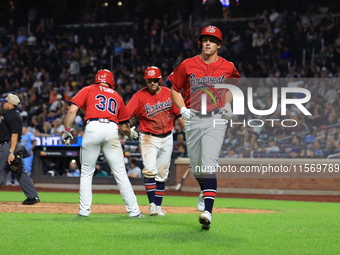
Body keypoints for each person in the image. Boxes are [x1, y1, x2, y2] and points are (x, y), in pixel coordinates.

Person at [169, 25, 240, 230]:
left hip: (215, 119)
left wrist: (227, 103)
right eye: (205, 39)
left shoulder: (227, 66)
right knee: (197, 166)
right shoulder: (187, 64)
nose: (208, 42)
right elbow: (174, 88)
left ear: (219, 44)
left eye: (212, 40)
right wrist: (182, 109)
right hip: (193, 118)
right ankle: (204, 189)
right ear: (200, 42)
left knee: (209, 163)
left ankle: (207, 211)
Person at [62, 69, 143, 218]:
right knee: (120, 173)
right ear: (111, 81)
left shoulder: (88, 89)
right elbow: (124, 127)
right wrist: (130, 133)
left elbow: (72, 110)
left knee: (86, 173)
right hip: (111, 129)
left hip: (93, 127)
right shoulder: (117, 96)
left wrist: (67, 130)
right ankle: (134, 212)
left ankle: (84, 212)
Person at [126, 66, 185, 216]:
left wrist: (188, 133)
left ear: (160, 80)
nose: (152, 83)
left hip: (167, 136)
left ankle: (158, 206)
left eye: (155, 80)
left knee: (162, 173)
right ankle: (152, 205)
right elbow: (126, 115)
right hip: (148, 137)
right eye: (149, 80)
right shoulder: (139, 96)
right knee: (150, 170)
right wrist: (126, 129)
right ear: (146, 81)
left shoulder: (168, 93)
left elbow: (179, 115)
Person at [0, 94, 40, 205]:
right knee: (21, 172)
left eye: (5, 102)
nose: (3, 103)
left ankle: (32, 197)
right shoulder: (13, 113)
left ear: (11, 104)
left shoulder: (11, 115)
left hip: (10, 146)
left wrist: (11, 152)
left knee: (1, 170)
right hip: (14, 145)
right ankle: (32, 197)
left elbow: (14, 134)